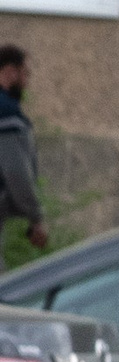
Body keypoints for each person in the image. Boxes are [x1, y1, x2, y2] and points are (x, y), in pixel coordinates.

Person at [0, 44, 49, 257]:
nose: (27, 82)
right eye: (25, 74)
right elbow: (15, 171)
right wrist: (36, 218)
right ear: (11, 72)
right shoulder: (6, 112)